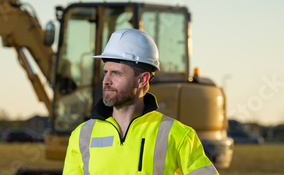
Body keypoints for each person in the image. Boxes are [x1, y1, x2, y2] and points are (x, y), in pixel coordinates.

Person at [62, 28, 218, 175]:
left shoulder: (177, 136)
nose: (106, 81)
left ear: (142, 79)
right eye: (105, 72)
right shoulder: (81, 136)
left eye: (116, 74)